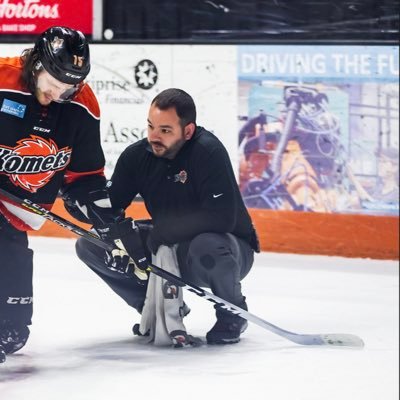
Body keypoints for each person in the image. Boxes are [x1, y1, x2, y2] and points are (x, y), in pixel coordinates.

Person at [0, 26, 147, 362]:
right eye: (53, 83)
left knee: (12, 331)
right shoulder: (2, 80)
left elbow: (84, 178)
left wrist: (108, 223)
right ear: (36, 63)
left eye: (69, 88)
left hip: (17, 214)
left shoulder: (82, 106)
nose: (59, 94)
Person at [76, 88, 260, 345]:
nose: (154, 136)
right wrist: (80, 197)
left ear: (188, 131)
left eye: (165, 130)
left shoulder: (208, 152)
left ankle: (232, 314)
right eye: (151, 126)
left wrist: (164, 232)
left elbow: (221, 219)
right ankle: (152, 305)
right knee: (90, 244)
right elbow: (111, 206)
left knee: (208, 245)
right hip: (169, 244)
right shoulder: (137, 156)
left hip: (227, 250)